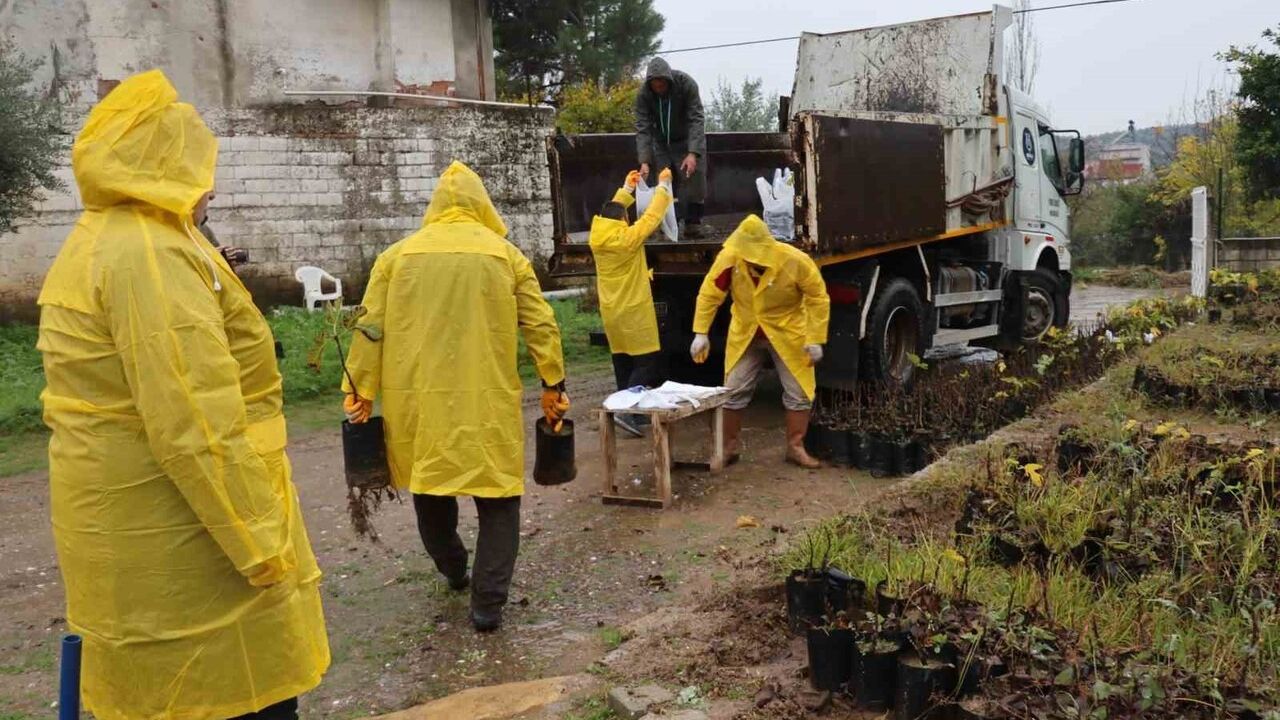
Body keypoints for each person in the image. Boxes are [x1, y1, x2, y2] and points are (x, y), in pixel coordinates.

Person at [37, 70, 329, 720]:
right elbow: (194, 423)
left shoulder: (98, 239)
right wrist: (264, 546)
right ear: (155, 165)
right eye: (191, 165)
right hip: (191, 567)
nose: (209, 186)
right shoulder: (149, 255)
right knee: (229, 698)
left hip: (134, 556)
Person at [341, 160, 568, 633]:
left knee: (431, 485)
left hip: (418, 403)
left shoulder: (396, 257)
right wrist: (554, 383)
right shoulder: (505, 256)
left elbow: (369, 328)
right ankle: (487, 605)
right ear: (480, 204)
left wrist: (358, 390)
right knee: (499, 498)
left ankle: (452, 567)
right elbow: (541, 324)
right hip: (486, 402)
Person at [690, 214, 830, 468]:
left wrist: (815, 338)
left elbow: (817, 297)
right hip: (746, 332)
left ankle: (795, 447)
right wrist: (701, 332)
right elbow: (710, 294)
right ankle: (727, 449)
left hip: (787, 332)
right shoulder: (730, 258)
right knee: (732, 390)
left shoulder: (794, 261)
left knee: (799, 391)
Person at [588, 167, 674, 437]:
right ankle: (628, 411)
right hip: (632, 309)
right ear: (622, 221)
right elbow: (652, 217)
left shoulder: (597, 236)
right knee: (647, 362)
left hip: (612, 310)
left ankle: (626, 412)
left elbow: (611, 212)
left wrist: (626, 189)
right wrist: (663, 186)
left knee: (622, 361)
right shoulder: (627, 239)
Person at [635, 57, 707, 238]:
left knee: (694, 178)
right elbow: (642, 128)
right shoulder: (644, 95)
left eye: (662, 85)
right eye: (655, 86)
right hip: (661, 143)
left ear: (668, 81)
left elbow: (696, 119)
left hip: (686, 140)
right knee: (664, 182)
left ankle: (693, 224)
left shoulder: (686, 84)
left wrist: (693, 152)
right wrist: (644, 161)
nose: (659, 90)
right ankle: (668, 226)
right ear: (650, 84)